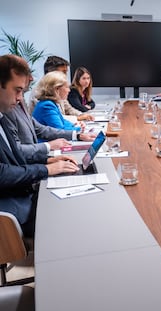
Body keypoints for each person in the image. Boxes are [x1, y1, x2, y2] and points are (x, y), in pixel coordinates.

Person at [0, 54, 79, 237]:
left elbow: (16, 156)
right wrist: (46, 169)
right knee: (70, 221)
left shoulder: (2, 117)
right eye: (17, 90)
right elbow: (3, 173)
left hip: (23, 194)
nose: (20, 98)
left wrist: (50, 160)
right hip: (12, 211)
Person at [3, 71, 96, 163]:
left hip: (38, 154)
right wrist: (77, 130)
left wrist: (77, 133)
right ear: (56, 89)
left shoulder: (49, 103)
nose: (69, 90)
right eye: (67, 87)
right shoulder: (46, 105)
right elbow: (58, 127)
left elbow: (54, 124)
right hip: (37, 154)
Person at [29, 55, 94, 121]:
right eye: (63, 72)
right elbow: (53, 117)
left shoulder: (58, 89)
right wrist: (77, 118)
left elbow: (68, 108)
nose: (65, 75)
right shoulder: (39, 92)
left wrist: (81, 115)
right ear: (51, 73)